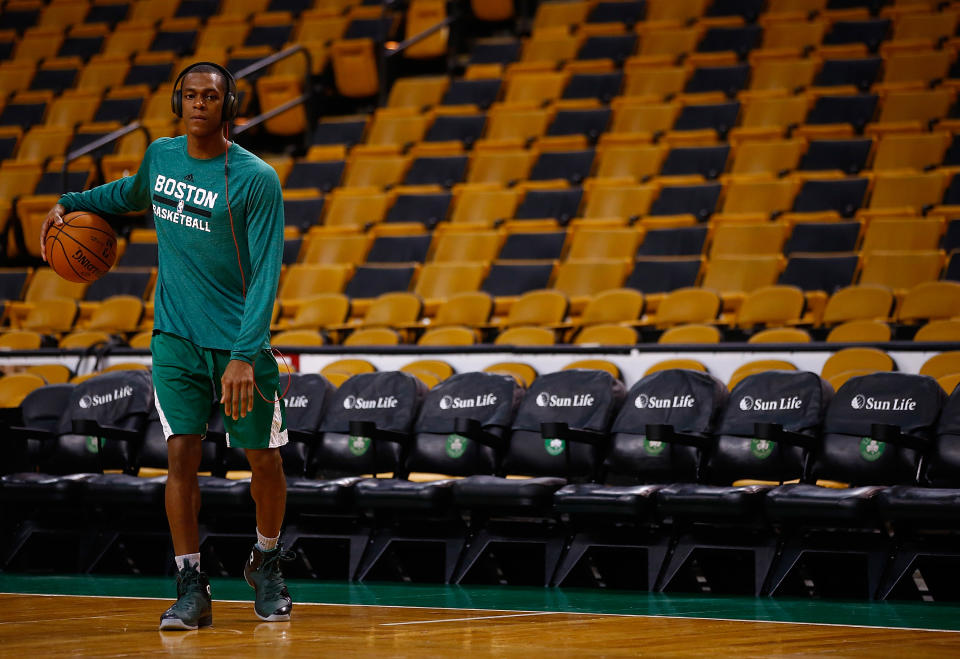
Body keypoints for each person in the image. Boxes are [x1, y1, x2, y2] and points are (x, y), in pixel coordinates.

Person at [40, 62, 292, 631]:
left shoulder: (256, 179)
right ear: (178, 101)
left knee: (264, 461)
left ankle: (267, 559)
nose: (200, 103)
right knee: (180, 453)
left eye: (212, 96)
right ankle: (190, 585)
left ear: (229, 106)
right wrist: (71, 201)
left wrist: (242, 355)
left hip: (239, 345)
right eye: (191, 95)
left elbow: (267, 277)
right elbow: (128, 193)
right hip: (174, 336)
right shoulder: (161, 156)